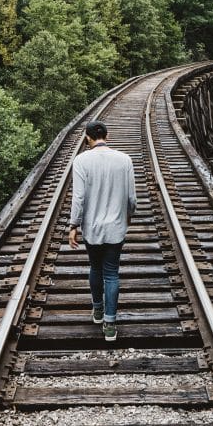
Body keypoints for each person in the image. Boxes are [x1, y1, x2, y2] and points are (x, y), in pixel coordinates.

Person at [67, 120, 137, 342]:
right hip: (116, 228)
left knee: (95, 267)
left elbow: (78, 198)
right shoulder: (125, 160)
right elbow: (131, 198)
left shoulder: (81, 161)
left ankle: (97, 310)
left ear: (87, 138)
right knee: (111, 273)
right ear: (107, 135)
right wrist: (128, 216)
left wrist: (73, 225)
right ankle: (109, 324)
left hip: (92, 228)